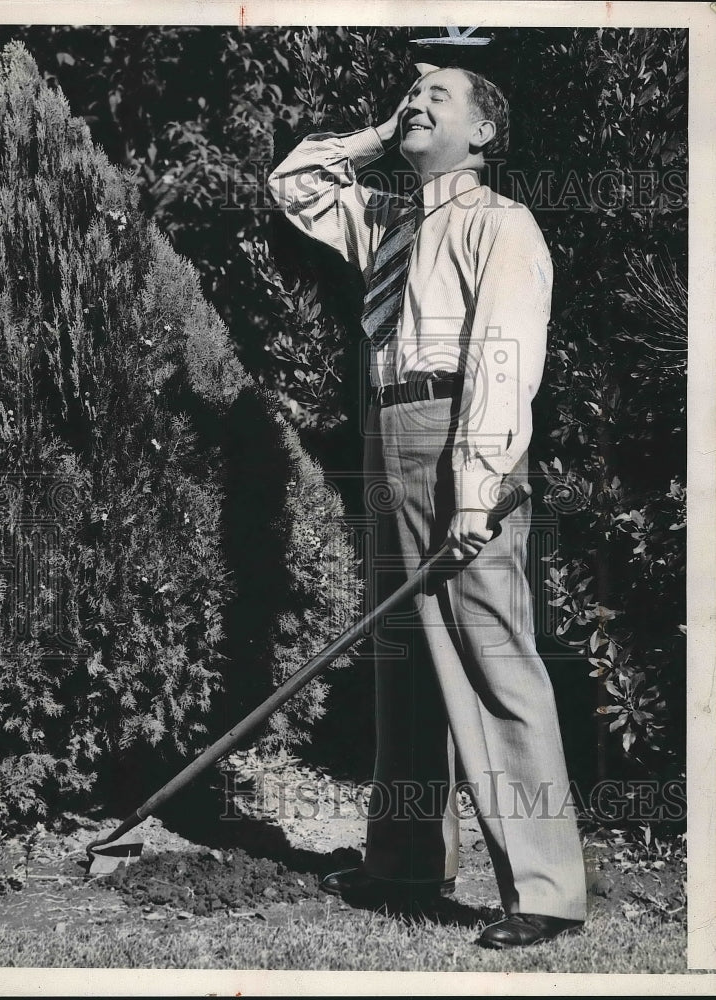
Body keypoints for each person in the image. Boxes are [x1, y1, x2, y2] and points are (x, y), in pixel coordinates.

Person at [267, 64, 587, 949]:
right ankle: (405, 861)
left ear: (484, 132)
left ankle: (547, 889)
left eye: (438, 96)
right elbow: (292, 184)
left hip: (458, 434)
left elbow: (504, 353)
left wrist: (478, 484)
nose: (417, 102)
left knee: (490, 650)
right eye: (410, 94)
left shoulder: (500, 223)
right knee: (402, 653)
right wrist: (378, 132)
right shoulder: (383, 218)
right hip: (386, 428)